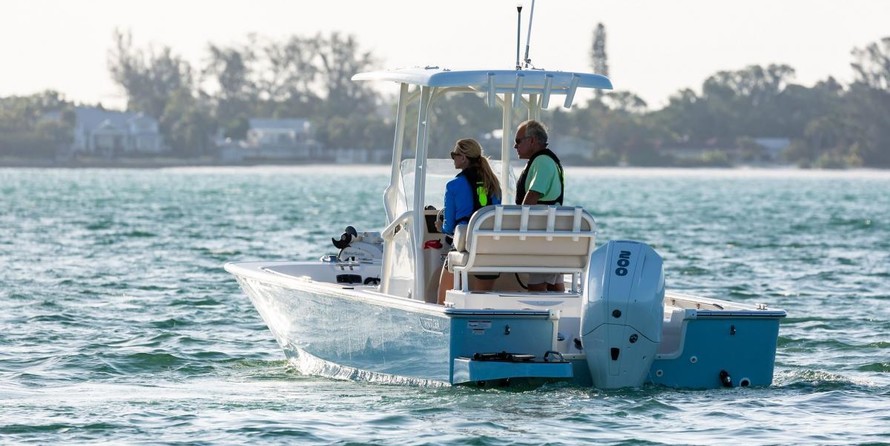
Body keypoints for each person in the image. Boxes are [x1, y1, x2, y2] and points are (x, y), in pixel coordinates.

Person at [435, 138, 502, 305]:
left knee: (442, 300)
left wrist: (440, 227)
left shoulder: (453, 186)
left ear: (463, 158)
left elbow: (449, 227)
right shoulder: (494, 184)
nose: (453, 159)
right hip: (489, 248)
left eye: (454, 155)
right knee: (482, 302)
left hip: (464, 246)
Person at [513, 119, 566, 292]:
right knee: (554, 283)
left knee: (536, 285)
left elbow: (532, 196)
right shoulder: (547, 160)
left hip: (543, 237)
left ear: (532, 140)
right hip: (551, 235)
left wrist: (516, 228)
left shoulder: (542, 161)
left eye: (518, 141)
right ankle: (564, 309)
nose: (515, 146)